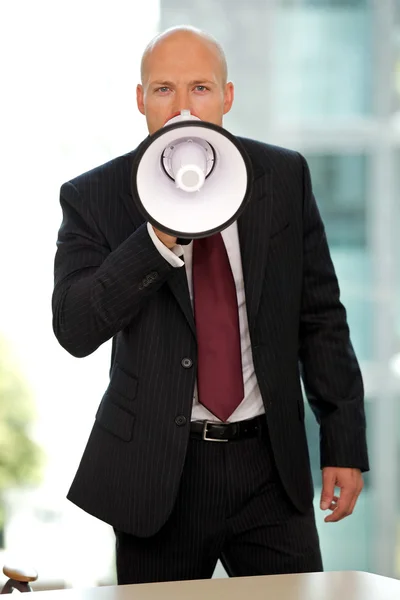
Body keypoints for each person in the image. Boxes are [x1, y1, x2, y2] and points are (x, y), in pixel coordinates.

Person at [52, 25, 369, 584]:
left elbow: (320, 317)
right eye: (163, 90)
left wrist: (343, 441)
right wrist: (156, 239)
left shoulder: (283, 176)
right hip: (159, 473)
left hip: (270, 466)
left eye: (199, 88)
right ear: (140, 99)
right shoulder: (92, 197)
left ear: (227, 95)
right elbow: (76, 327)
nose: (181, 107)